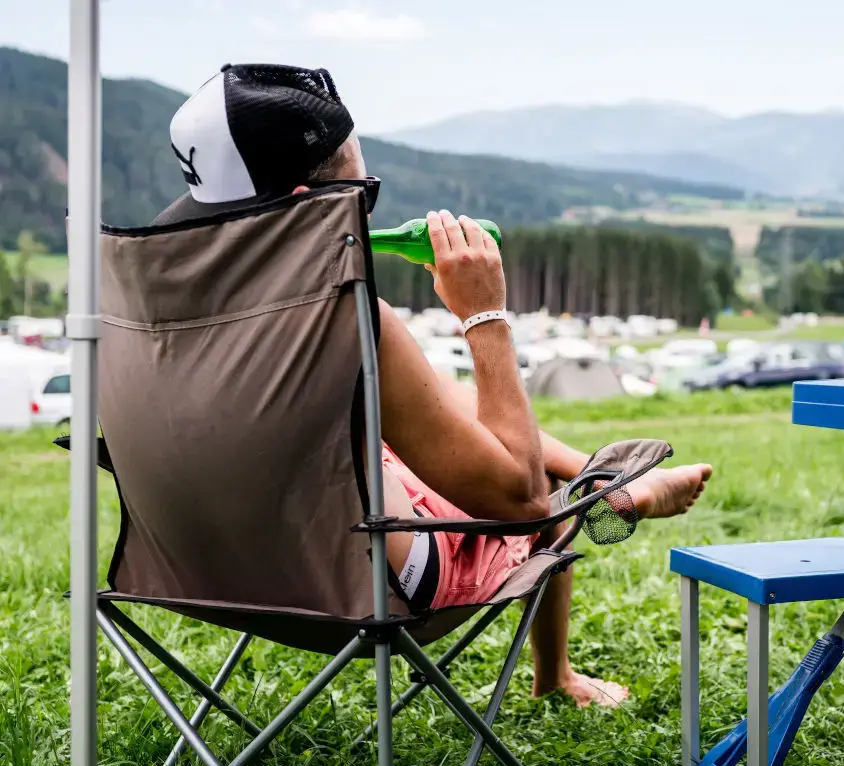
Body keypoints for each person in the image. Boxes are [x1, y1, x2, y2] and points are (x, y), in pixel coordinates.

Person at [155, 63, 713, 708]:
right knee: (538, 488)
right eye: (363, 192)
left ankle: (604, 476)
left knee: (417, 409)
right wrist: (484, 316)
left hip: (200, 568)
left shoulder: (143, 305)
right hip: (361, 583)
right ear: (311, 204)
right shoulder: (343, 318)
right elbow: (520, 502)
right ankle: (570, 624)